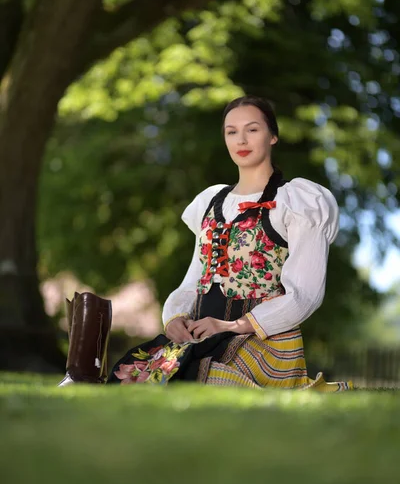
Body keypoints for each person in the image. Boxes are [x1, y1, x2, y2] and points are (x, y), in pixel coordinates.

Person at [105, 95, 353, 391]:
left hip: (262, 340)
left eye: (252, 129)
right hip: (202, 335)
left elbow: (305, 295)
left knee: (202, 380)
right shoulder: (210, 201)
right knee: (132, 378)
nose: (241, 140)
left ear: (272, 136)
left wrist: (232, 326)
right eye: (231, 132)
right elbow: (194, 281)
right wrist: (174, 319)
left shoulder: (297, 202)